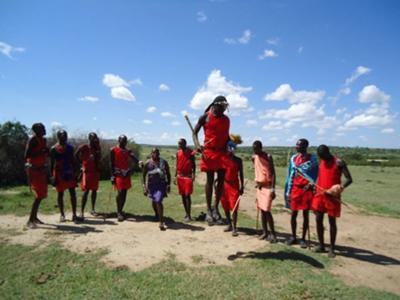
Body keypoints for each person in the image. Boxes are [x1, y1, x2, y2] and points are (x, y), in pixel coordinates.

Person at [194, 95, 230, 225]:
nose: (223, 111)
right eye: (222, 108)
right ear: (215, 105)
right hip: (209, 152)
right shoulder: (205, 117)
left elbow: (225, 136)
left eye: (225, 108)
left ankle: (216, 209)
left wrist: (231, 144)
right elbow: (195, 132)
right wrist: (198, 145)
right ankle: (209, 211)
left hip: (222, 153)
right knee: (209, 180)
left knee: (221, 181)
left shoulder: (226, 120)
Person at [311, 145, 353, 257]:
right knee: (318, 219)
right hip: (320, 195)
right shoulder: (322, 161)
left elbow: (349, 179)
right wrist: (314, 185)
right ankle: (321, 245)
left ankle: (332, 248)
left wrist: (338, 188)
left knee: (332, 222)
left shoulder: (339, 162)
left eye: (323, 156)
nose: (322, 159)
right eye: (320, 157)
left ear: (328, 152)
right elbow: (321, 176)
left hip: (332, 196)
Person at [284, 138, 318, 248]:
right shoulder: (294, 159)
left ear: (305, 146)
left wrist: (311, 183)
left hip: (306, 190)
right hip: (295, 189)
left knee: (305, 215)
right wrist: (288, 191)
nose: (297, 146)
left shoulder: (312, 160)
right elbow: (290, 175)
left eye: (299, 145)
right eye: (297, 144)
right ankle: (293, 237)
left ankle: (303, 239)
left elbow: (316, 174)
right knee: (293, 214)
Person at [50, 130, 82, 223]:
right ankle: (62, 215)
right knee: (60, 193)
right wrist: (52, 176)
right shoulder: (53, 149)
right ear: (58, 137)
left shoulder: (70, 148)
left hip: (69, 172)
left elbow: (72, 160)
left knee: (73, 193)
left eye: (65, 135)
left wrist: (76, 171)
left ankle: (74, 215)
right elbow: (52, 164)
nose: (64, 137)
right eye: (62, 135)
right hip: (59, 172)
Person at [25, 123, 49, 229]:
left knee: (41, 195)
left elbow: (43, 153)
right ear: (36, 130)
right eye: (42, 128)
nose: (44, 129)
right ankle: (30, 220)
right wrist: (40, 152)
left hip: (41, 169)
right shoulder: (33, 140)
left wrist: (46, 152)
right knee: (38, 195)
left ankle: (34, 217)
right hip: (34, 170)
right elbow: (27, 155)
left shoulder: (43, 140)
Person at [110, 135, 140, 222]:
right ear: (118, 140)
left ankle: (121, 210)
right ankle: (118, 212)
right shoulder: (113, 150)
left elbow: (134, 158)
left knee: (124, 193)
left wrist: (139, 162)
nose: (124, 142)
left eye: (125, 141)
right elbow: (111, 164)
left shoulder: (128, 150)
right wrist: (112, 176)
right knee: (120, 192)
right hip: (118, 173)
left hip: (126, 173)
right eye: (122, 140)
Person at [252, 140, 277, 243]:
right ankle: (265, 232)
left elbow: (273, 173)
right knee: (262, 210)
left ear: (261, 147)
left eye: (256, 149)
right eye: (253, 149)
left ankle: (273, 234)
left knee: (267, 210)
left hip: (267, 187)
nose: (255, 151)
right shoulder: (254, 157)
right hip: (260, 187)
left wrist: (273, 188)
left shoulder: (268, 156)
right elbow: (257, 169)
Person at [142, 148, 171, 231]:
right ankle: (157, 215)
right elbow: (143, 176)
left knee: (158, 200)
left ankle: (161, 222)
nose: (156, 154)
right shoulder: (148, 163)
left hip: (161, 185)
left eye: (157, 152)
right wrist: (144, 187)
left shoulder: (163, 162)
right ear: (151, 153)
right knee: (154, 200)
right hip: (152, 185)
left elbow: (168, 174)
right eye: (154, 152)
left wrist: (168, 184)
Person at [75, 132, 101, 219]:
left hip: (94, 172)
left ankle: (93, 209)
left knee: (94, 191)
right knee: (86, 191)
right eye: (93, 138)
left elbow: (99, 158)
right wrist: (80, 165)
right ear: (89, 138)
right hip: (86, 172)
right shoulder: (84, 147)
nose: (95, 140)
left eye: (96, 138)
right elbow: (76, 155)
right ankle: (81, 212)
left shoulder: (97, 148)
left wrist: (98, 150)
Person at [221, 140, 244, 236]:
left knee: (234, 206)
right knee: (225, 205)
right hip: (224, 184)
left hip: (234, 185)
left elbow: (241, 174)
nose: (230, 151)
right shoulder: (223, 159)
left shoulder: (238, 160)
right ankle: (229, 224)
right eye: (228, 149)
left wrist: (242, 186)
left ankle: (234, 227)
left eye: (232, 149)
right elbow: (220, 172)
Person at [174, 138, 196, 222]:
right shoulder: (178, 153)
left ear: (185, 144)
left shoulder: (190, 152)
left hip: (188, 176)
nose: (179, 145)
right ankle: (186, 213)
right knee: (183, 196)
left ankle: (189, 215)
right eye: (178, 144)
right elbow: (177, 164)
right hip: (180, 176)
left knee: (187, 196)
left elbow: (193, 164)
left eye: (181, 144)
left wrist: (194, 175)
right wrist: (175, 176)